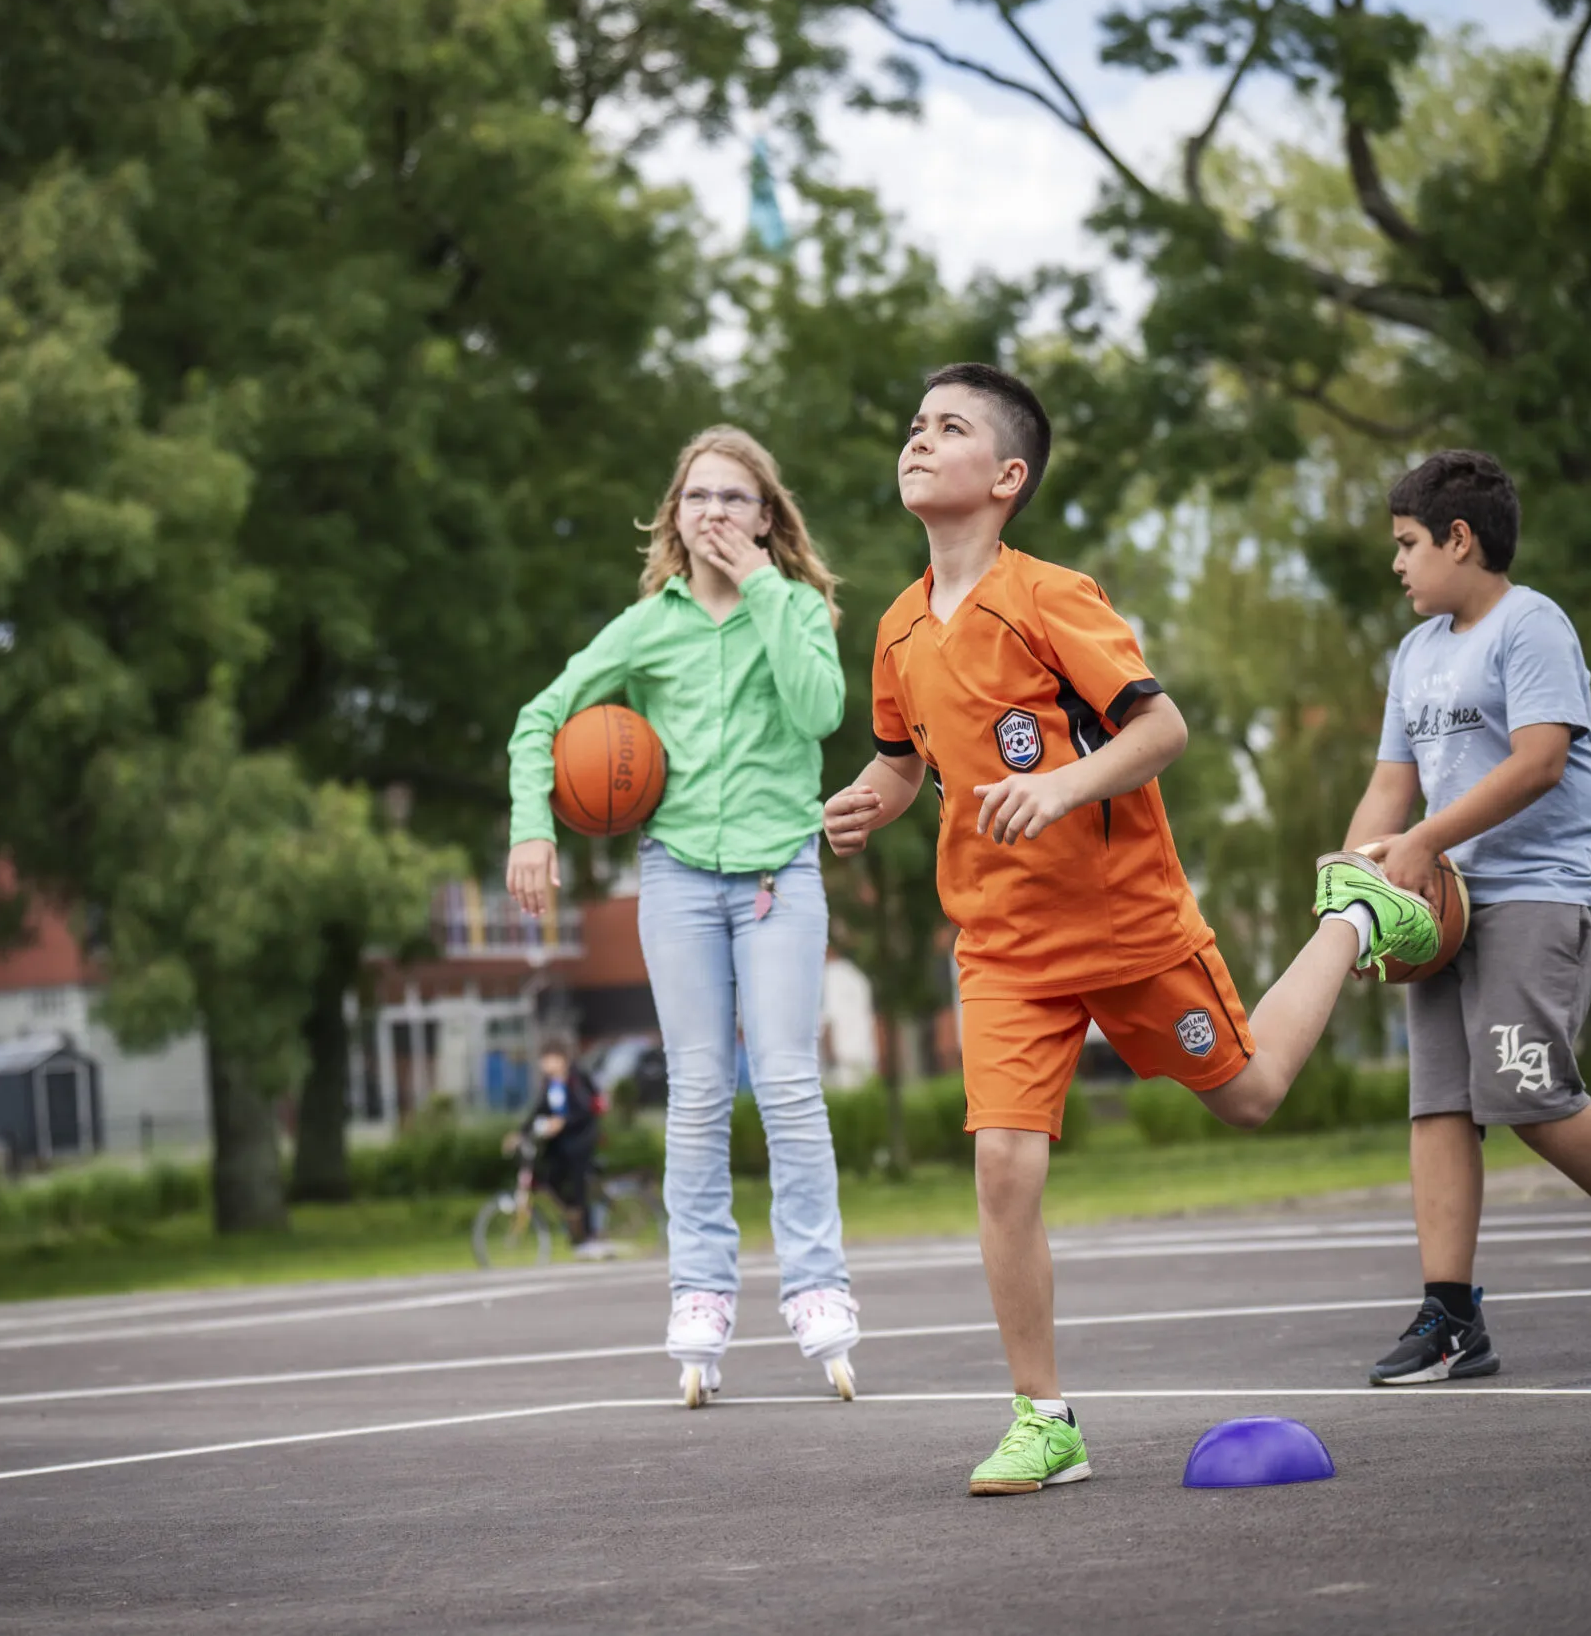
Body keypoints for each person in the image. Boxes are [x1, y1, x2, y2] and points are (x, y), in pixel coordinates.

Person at [822, 363, 1440, 1496]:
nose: (918, 439)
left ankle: (1355, 916)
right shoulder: (899, 626)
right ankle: (1043, 1417)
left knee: (1251, 1099)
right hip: (1001, 946)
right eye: (913, 424)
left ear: (1005, 478)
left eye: (948, 428)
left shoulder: (1051, 596)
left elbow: (1161, 732)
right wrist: (870, 798)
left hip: (1123, 919)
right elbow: (908, 760)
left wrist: (1062, 789)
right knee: (1003, 1166)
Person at [1338, 450, 1591, 1384]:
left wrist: (1422, 844)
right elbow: (1391, 784)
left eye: (1406, 544)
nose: (1396, 564)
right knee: (1438, 1102)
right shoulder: (1416, 651)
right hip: (1446, 905)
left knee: (1526, 1091)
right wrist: (1355, 884)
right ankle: (1451, 1313)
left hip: (1543, 885)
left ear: (1459, 538)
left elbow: (1540, 761)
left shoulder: (1532, 625)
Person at [507, 425, 862, 1406]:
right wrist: (531, 827)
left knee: (787, 1082)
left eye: (734, 498)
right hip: (675, 882)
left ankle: (817, 1286)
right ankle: (701, 1293)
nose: (713, 511)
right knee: (698, 1092)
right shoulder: (646, 630)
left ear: (765, 517)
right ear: (674, 514)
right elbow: (542, 718)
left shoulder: (792, 609)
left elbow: (821, 711)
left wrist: (761, 586)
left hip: (777, 877)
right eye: (697, 496)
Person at [506, 1044, 603, 1249]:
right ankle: (573, 1218)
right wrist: (520, 1133)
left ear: (561, 1059)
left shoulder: (577, 1080)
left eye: (549, 1058)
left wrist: (563, 1122)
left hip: (580, 1140)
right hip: (560, 1144)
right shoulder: (549, 1084)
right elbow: (538, 1110)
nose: (545, 1064)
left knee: (578, 1186)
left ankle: (588, 1235)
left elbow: (586, 1110)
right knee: (550, 1178)